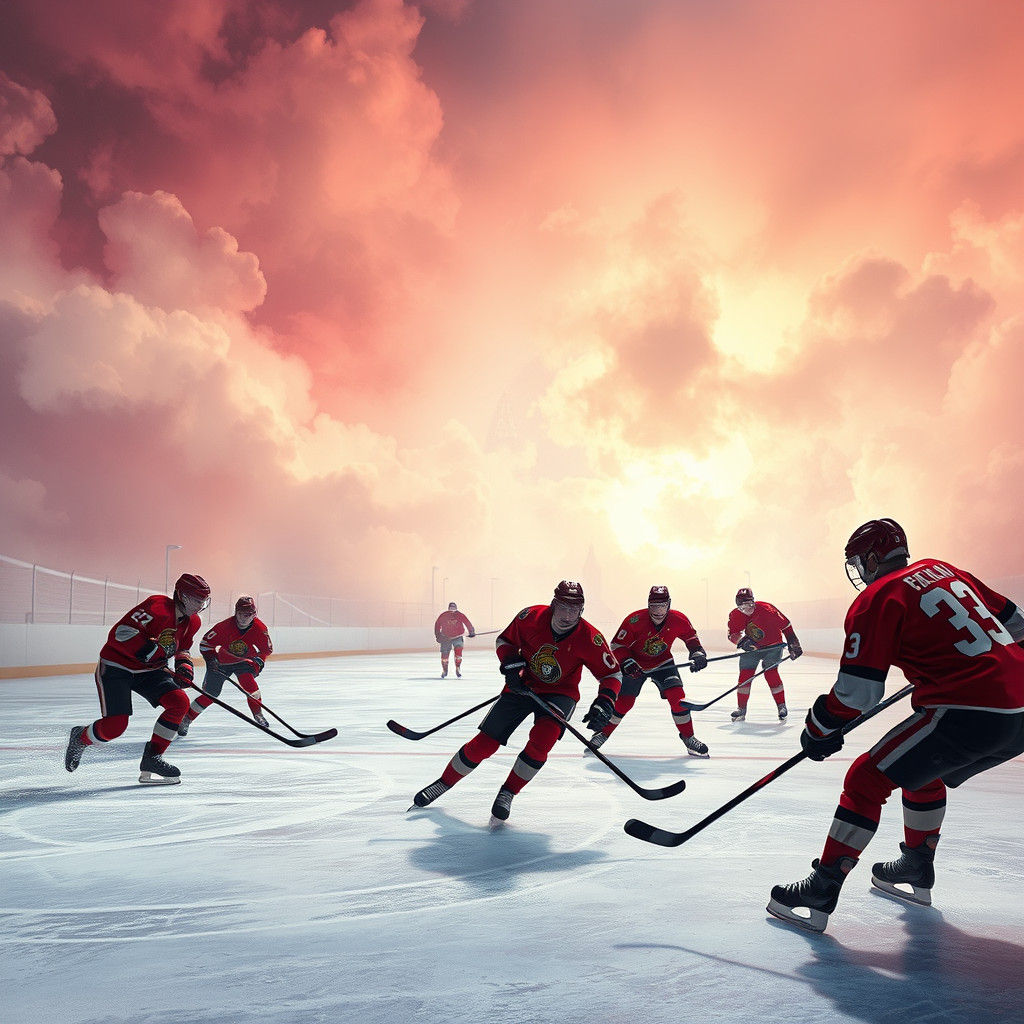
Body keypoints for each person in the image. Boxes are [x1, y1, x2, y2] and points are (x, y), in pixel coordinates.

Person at [768, 517, 1024, 933]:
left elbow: (858, 693)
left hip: (969, 709)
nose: (859, 571)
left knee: (866, 778)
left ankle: (822, 887)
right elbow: (1019, 625)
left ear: (872, 558)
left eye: (859, 561)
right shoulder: (946, 568)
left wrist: (819, 727)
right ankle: (917, 867)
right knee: (922, 770)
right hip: (1020, 708)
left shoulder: (877, 597)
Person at [411, 580, 621, 825]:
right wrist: (511, 665)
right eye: (562, 607)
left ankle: (508, 792)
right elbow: (504, 642)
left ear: (581, 610)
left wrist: (605, 701)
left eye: (573, 609)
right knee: (484, 744)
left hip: (560, 694)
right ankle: (443, 783)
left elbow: (612, 674)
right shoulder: (530, 616)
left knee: (541, 742)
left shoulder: (591, 638)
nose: (566, 615)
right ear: (553, 604)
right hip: (522, 685)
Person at [63, 573, 211, 785]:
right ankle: (80, 738)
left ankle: (153, 758)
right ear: (181, 595)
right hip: (117, 666)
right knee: (115, 727)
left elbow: (183, 648)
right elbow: (121, 633)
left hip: (149, 670)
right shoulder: (157, 606)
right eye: (196, 599)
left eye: (203, 600)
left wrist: (184, 667)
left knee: (179, 703)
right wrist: (149, 650)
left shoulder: (192, 622)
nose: (200, 605)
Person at [588, 586, 710, 756]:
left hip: (663, 663)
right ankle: (603, 733)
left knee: (678, 698)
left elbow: (690, 636)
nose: (658, 612)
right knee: (624, 703)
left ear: (669, 604)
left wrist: (697, 653)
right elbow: (617, 645)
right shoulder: (634, 620)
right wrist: (627, 661)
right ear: (648, 605)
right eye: (654, 606)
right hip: (635, 665)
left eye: (662, 606)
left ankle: (689, 738)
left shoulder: (679, 619)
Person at [178, 595, 274, 735]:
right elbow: (205, 644)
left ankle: (258, 714)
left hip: (243, 662)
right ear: (236, 613)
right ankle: (186, 719)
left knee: (249, 684)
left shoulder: (260, 628)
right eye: (241, 614)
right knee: (211, 694)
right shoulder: (224, 627)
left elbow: (266, 650)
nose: (244, 618)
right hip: (222, 662)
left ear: (254, 614)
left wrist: (259, 661)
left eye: (248, 614)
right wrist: (211, 660)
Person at [727, 587, 802, 721]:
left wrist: (793, 642)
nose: (747, 609)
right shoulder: (734, 615)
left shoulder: (767, 609)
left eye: (749, 604)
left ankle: (781, 706)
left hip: (773, 646)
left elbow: (786, 625)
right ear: (737, 606)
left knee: (771, 673)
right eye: (742, 607)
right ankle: (741, 709)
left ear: (753, 602)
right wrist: (741, 641)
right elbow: (732, 634)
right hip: (752, 649)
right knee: (745, 676)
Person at [433, 601, 475, 678]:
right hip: (445, 637)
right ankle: (445, 670)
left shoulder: (460, 615)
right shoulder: (443, 615)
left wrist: (471, 631)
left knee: (458, 654)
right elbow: (437, 625)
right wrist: (438, 636)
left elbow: (467, 622)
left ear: (456, 608)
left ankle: (458, 668)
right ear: (448, 608)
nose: (452, 609)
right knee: (445, 655)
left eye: (453, 608)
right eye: (451, 608)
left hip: (458, 636)